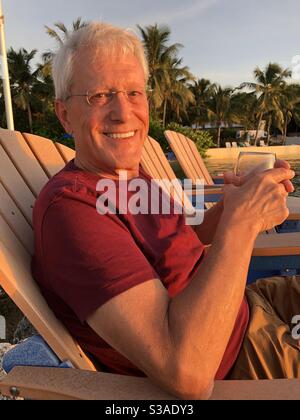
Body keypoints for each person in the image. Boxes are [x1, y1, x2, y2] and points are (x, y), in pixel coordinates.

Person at [31, 22, 300, 400]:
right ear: (64, 114)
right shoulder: (73, 211)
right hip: (241, 358)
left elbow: (180, 243)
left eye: (133, 92)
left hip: (250, 304)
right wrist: (242, 225)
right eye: (99, 95)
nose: (123, 113)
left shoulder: (127, 176)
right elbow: (186, 372)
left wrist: (227, 211)